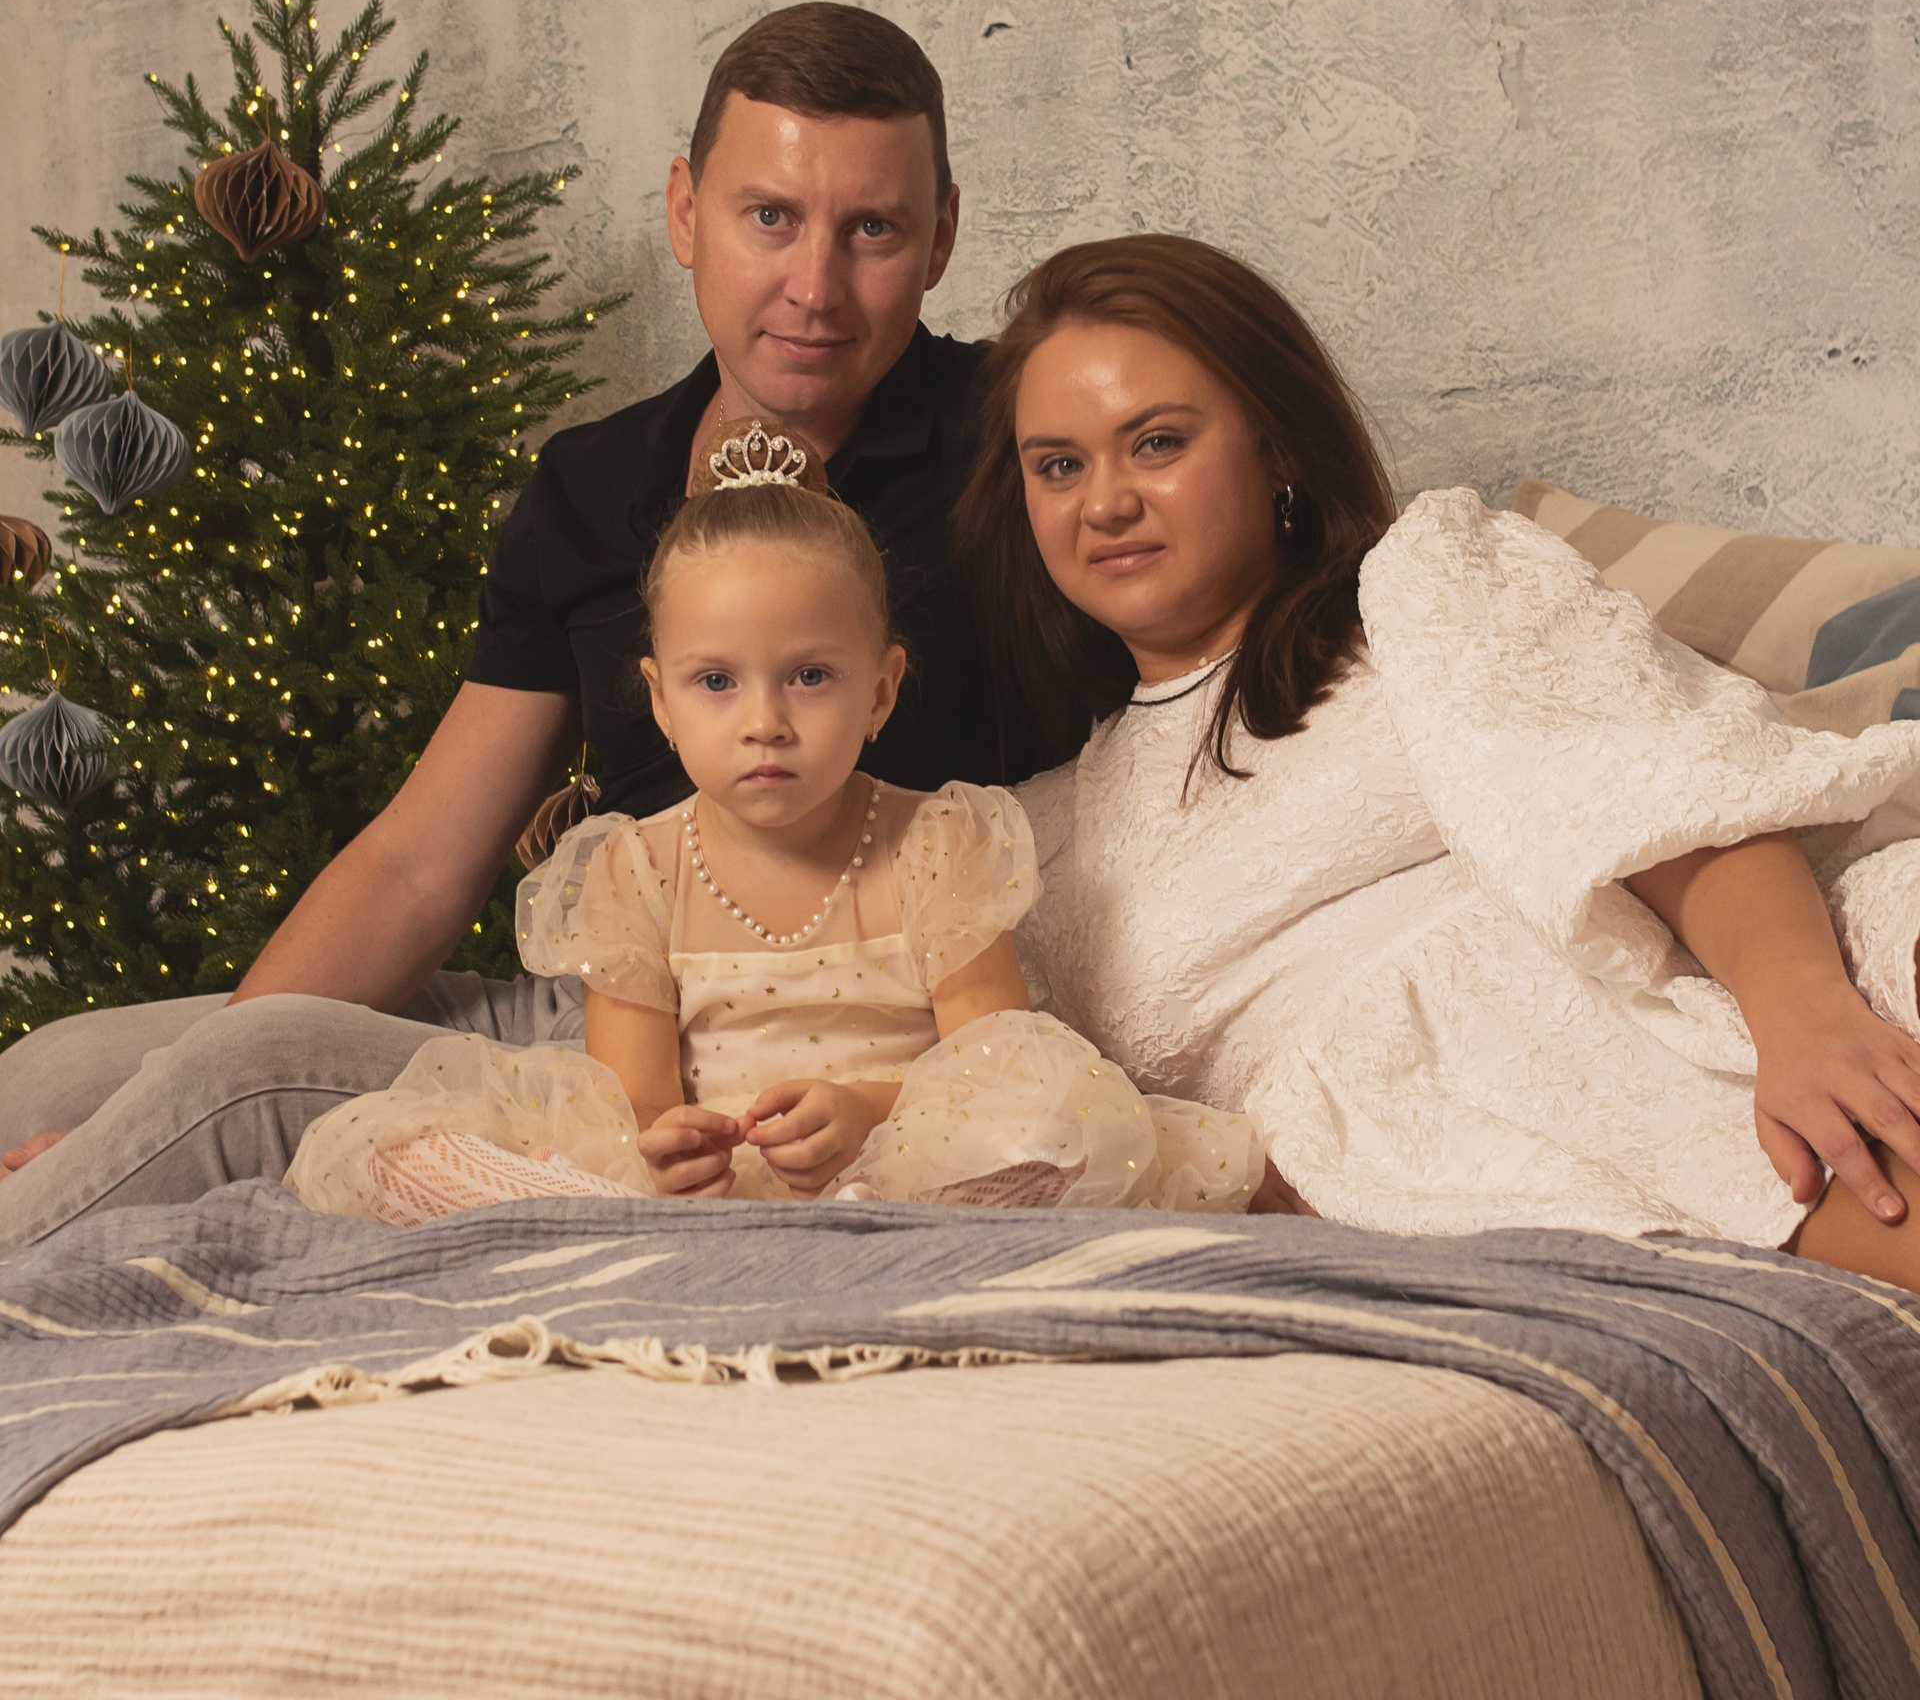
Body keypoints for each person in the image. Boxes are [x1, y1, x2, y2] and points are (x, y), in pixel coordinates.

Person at [0, 3, 1051, 1246]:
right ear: (685, 210)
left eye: (872, 229)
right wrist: (153, 1118)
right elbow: (419, 861)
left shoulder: (1022, 443)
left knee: (232, 1081)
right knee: (53, 1075)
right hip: (601, 1005)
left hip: (808, 1041)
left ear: (941, 239)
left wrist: (193, 1108)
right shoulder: (590, 486)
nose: (814, 287)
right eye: (769, 217)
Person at [955, 231, 1920, 1291]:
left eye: (1157, 443)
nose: (1104, 503)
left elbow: (1665, 787)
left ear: (1275, 446)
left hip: (1733, 1002)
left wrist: (1805, 1018)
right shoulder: (1025, 844)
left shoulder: (1422, 586)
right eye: (1059, 465)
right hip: (1421, 1173)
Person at [285, 418, 1263, 1220]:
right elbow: (633, 1100)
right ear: (660, 701)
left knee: (1065, 1133)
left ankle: (875, 1220)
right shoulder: (634, 869)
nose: (764, 722)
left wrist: (863, 1112)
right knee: (400, 1151)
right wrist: (668, 1150)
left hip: (901, 1163)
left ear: (881, 691)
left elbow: (1007, 1068)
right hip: (698, 1195)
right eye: (715, 682)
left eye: (810, 676)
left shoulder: (939, 844)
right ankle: (642, 1222)